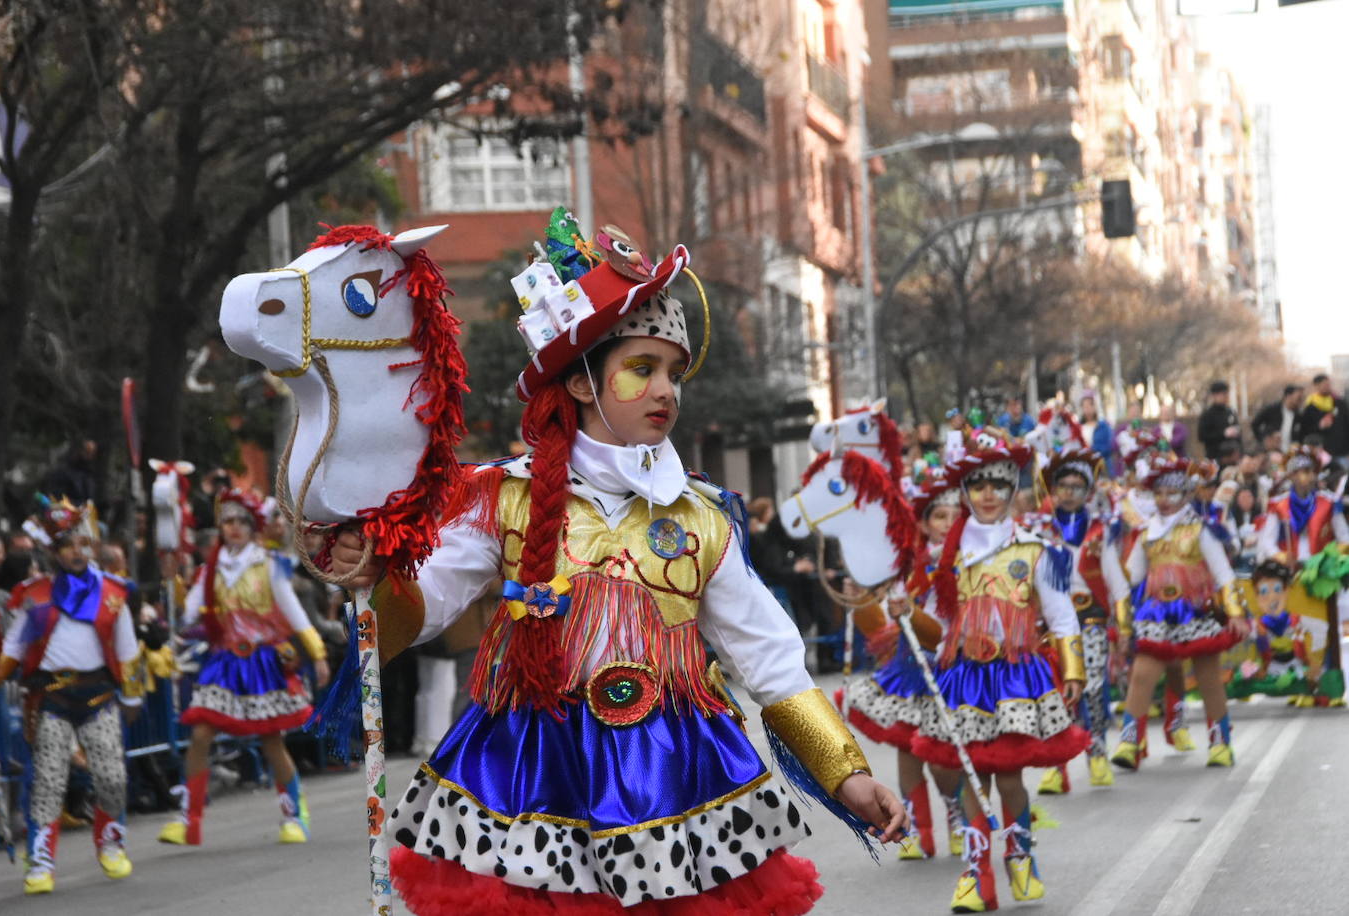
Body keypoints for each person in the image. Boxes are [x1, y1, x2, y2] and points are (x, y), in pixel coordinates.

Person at [329, 220, 907, 914]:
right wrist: (378, 579)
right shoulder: (505, 500)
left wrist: (845, 773)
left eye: (673, 372)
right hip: (536, 775)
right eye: (643, 368)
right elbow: (427, 602)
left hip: (675, 776)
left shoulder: (702, 518)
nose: (667, 389)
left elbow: (770, 657)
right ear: (578, 382)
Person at [908, 430, 1087, 913]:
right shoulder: (950, 556)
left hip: (1014, 678)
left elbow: (1063, 615)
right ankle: (976, 873)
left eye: (998, 484)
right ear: (966, 491)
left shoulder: (1035, 549)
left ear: (1012, 489)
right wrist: (906, 614)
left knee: (1008, 776)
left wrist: (1073, 669)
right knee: (970, 777)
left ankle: (1021, 857)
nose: (988, 494)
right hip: (966, 677)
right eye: (979, 484)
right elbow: (938, 627)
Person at [158, 487, 330, 847]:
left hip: (263, 662)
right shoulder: (210, 570)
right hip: (223, 664)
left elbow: (295, 615)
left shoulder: (268, 565)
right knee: (201, 734)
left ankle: (294, 814)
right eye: (227, 521)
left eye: (240, 521)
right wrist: (171, 582)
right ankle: (188, 818)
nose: (233, 527)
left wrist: (317, 654)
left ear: (253, 527)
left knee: (271, 740)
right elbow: (188, 614)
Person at [0, 498, 146, 894]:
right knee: (49, 781)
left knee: (112, 777)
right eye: (68, 545)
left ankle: (110, 839)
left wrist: (132, 698)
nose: (77, 551)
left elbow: (127, 651)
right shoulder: (35, 596)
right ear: (54, 551)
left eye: (83, 543)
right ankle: (40, 858)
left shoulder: (114, 593)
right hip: (51, 699)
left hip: (99, 697)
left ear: (92, 546)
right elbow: (13, 647)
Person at [838, 467, 966, 862]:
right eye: (938, 517)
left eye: (952, 517)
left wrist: (915, 616)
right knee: (908, 755)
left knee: (943, 760)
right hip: (909, 673)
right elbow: (881, 631)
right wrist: (860, 601)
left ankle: (958, 815)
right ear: (924, 524)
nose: (946, 524)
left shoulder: (968, 563)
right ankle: (915, 830)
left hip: (949, 673)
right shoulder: (904, 569)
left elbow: (952, 628)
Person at [1111, 456, 1250, 771]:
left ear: (1187, 495)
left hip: (1195, 613)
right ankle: (1129, 742)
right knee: (1142, 674)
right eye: (1159, 494)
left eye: (1172, 494)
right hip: (1157, 615)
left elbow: (1224, 574)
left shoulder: (1201, 530)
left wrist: (1235, 613)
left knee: (1208, 679)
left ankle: (1220, 743)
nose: (1164, 500)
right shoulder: (1147, 534)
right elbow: (1130, 579)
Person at [1032, 448, 1128, 795]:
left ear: (1088, 492)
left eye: (1077, 486)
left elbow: (1118, 585)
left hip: (1089, 620)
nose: (1069, 492)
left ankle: (1098, 752)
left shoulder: (1098, 533)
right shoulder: (1038, 531)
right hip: (1049, 625)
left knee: (1091, 689)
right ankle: (1056, 767)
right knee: (1053, 694)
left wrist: (1125, 627)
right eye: (1064, 485)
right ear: (1053, 490)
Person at [1255, 445, 1349, 704]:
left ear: (1316, 473)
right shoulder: (1280, 505)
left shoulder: (1329, 503)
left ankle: (1329, 686)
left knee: (1326, 629)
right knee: (1297, 628)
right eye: (1298, 472)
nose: (1304, 478)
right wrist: (1284, 560)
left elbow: (1344, 538)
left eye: (1308, 471)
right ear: (1290, 475)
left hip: (1321, 575)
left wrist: (1328, 558)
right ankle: (1304, 685)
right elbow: (1267, 544)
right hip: (1291, 574)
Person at [1300, 374, 1349, 469]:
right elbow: (1305, 430)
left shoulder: (1339, 403)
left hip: (1342, 452)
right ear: (1316, 386)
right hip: (1322, 454)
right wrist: (1320, 426)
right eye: (1324, 385)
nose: (1328, 387)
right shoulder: (1310, 407)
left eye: (1328, 384)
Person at [1252, 385, 1305, 453]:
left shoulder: (1299, 415)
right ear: (1288, 396)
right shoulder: (1272, 409)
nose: (1300, 400)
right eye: (1298, 397)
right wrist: (1263, 440)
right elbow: (1255, 424)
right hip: (1272, 452)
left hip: (1290, 453)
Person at [1196, 382, 1240, 461]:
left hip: (1232, 456)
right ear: (1215, 395)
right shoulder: (1207, 414)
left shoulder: (1230, 412)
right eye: (1223, 394)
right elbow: (1202, 436)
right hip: (1215, 456)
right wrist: (1223, 434)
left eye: (1227, 394)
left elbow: (1238, 432)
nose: (1226, 397)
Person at [1077, 393, 1114, 466]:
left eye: (1090, 405)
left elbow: (1109, 447)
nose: (1087, 409)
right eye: (1084, 406)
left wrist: (1090, 451)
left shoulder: (1104, 426)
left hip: (1101, 465)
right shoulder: (1078, 427)